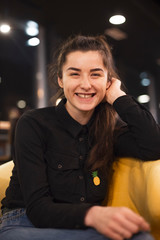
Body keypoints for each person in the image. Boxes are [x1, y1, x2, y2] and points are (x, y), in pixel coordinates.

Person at [0, 35, 160, 240]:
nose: (86, 84)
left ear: (108, 81)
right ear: (60, 79)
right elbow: (38, 209)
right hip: (25, 223)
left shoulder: (109, 130)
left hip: (81, 228)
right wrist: (94, 214)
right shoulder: (33, 123)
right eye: (74, 74)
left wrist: (119, 98)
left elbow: (153, 145)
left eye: (95, 75)